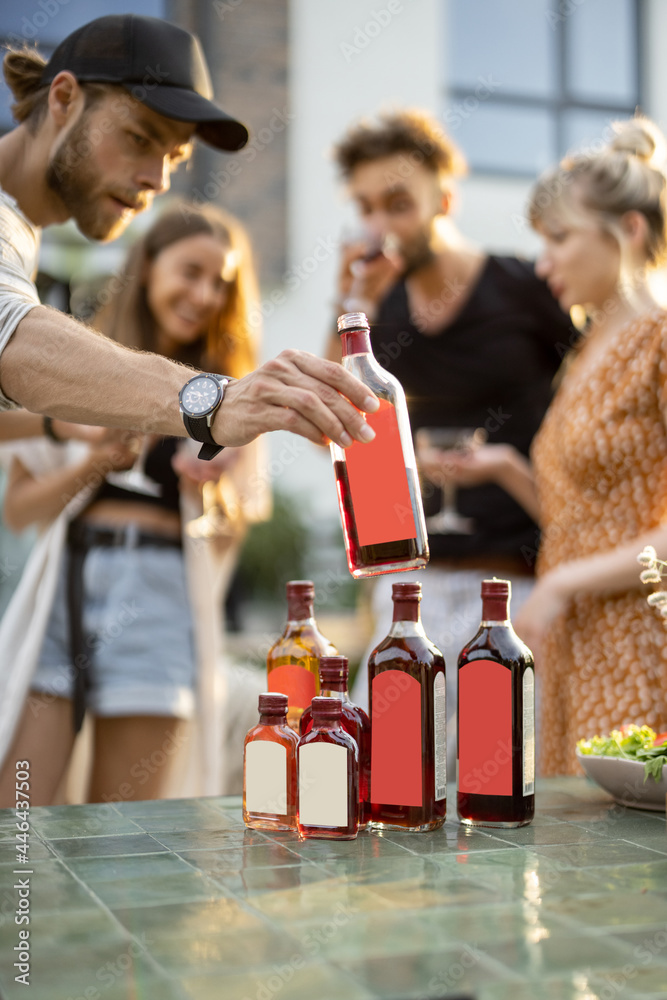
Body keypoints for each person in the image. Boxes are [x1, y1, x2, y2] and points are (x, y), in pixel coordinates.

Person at [0, 14, 378, 456]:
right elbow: (13, 337)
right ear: (64, 99)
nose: (158, 180)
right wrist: (215, 401)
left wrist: (58, 429)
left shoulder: (20, 231)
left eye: (175, 159)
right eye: (139, 138)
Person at [327, 109, 576, 775]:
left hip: (517, 583)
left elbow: (591, 398)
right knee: (390, 776)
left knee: (503, 784)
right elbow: (334, 415)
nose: (380, 225)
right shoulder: (377, 308)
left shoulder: (523, 288)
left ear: (444, 198)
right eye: (366, 207)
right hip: (413, 581)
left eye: (398, 204)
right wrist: (354, 305)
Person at [0, 201, 271, 806]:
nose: (203, 294)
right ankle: (22, 907)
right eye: (190, 272)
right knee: (21, 817)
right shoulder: (80, 370)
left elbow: (233, 535)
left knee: (127, 830)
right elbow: (19, 511)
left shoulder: (232, 395)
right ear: (147, 268)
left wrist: (210, 493)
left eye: (219, 283)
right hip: (68, 586)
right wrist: (96, 462)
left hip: (159, 593)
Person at [443, 115, 667, 775]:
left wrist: (562, 582)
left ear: (627, 231)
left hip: (638, 644)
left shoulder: (657, 342)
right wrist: (507, 469)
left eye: (558, 240)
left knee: (624, 869)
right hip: (572, 645)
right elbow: (586, 520)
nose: (541, 265)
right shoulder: (586, 351)